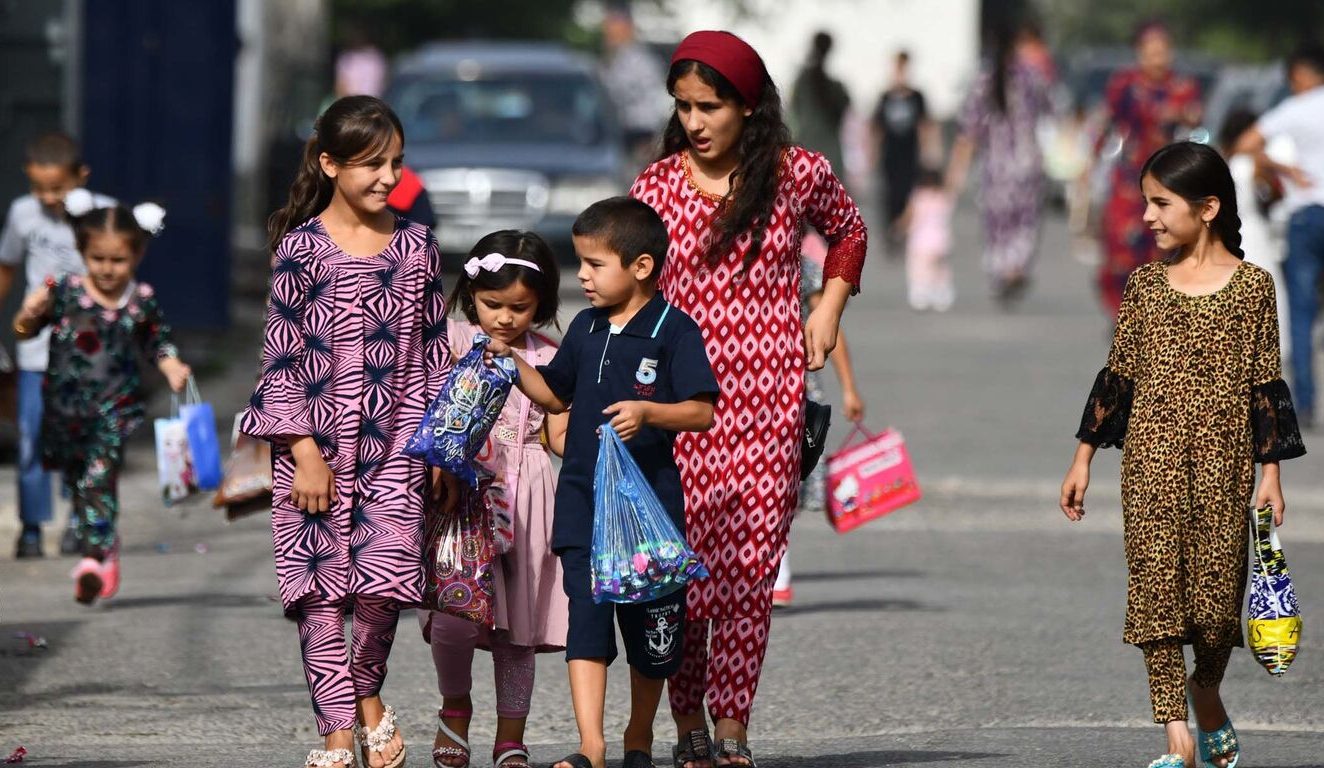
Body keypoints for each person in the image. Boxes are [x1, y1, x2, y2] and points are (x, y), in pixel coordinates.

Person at [630, 30, 868, 768]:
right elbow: (627, 295)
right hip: (680, 407)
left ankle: (731, 723)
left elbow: (849, 232)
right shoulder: (656, 186)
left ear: (748, 106)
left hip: (769, 401)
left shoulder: (797, 174)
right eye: (685, 107)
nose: (696, 122)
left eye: (711, 106)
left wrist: (826, 308)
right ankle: (686, 719)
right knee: (686, 571)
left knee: (750, 572)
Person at [1061, 142, 1305, 768]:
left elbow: (1266, 388)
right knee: (1155, 596)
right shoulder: (1143, 287)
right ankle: (1176, 736)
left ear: (1208, 208)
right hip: (1149, 465)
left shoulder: (1254, 289)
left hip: (1226, 471)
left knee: (1217, 609)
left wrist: (1270, 474)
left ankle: (1205, 690)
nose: (1147, 216)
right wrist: (1084, 457)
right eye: (1146, 203)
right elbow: (1117, 378)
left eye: (1161, 203)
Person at [239, 95, 457, 768]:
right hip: (311, 451)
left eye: (396, 163)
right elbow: (279, 356)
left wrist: (442, 445)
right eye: (370, 164)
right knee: (321, 595)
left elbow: (437, 350)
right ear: (329, 164)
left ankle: (365, 700)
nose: (387, 177)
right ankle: (339, 734)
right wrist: (301, 450)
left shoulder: (417, 246)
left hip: (399, 446)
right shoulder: (300, 251)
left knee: (384, 590)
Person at [484, 196, 719, 768]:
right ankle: (592, 745)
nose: (582, 276)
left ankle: (639, 734)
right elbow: (554, 393)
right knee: (586, 621)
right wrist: (514, 364)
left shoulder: (674, 330)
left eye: (594, 264)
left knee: (648, 630)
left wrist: (651, 413)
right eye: (581, 263)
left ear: (641, 267)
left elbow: (702, 411)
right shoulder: (586, 328)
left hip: (646, 510)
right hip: (583, 500)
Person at [423, 230, 569, 768]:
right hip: (462, 495)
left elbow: (558, 436)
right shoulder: (451, 341)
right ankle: (455, 707)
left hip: (529, 494)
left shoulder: (551, 355)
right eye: (492, 304)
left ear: (542, 304)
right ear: (470, 297)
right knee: (454, 614)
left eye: (520, 307)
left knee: (517, 629)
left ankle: (512, 735)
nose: (505, 318)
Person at [12, 193, 189, 603]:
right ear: (83, 253)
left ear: (137, 255)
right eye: (98, 260)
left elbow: (158, 343)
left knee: (97, 479)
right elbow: (24, 331)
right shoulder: (66, 293)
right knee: (79, 484)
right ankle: (102, 546)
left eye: (118, 261)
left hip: (114, 410)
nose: (107, 270)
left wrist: (172, 366)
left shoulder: (141, 299)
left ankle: (96, 558)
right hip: (64, 410)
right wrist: (28, 312)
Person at [0, 132, 113, 559]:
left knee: (80, 438)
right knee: (31, 438)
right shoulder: (22, 214)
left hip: (88, 352)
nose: (48, 198)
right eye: (38, 188)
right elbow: (7, 266)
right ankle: (31, 528)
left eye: (58, 188)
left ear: (80, 177)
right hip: (36, 351)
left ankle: (76, 520)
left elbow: (120, 273)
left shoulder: (101, 213)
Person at [772, 232, 867, 608]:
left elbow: (829, 323)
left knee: (782, 482)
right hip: (731, 387)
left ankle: (778, 569)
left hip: (795, 386)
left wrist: (849, 388)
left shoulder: (799, 265)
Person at [1234, 44, 1324, 429]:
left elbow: (1245, 144)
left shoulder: (1294, 109)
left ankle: (1305, 403)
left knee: (1301, 313)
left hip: (1308, 215)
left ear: (1300, 75)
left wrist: (1286, 168)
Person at [1089, 21, 1202, 318]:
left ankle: (1156, 313)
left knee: (1164, 246)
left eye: (1162, 51)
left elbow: (1196, 125)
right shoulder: (1123, 85)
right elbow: (1106, 124)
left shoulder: (1182, 87)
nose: (1157, 57)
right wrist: (1090, 162)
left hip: (1169, 178)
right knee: (1121, 247)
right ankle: (1123, 312)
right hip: (1129, 177)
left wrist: (1187, 117)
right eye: (1150, 51)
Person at [946, 22, 1052, 306]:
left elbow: (968, 132)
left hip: (996, 168)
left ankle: (1003, 270)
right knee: (1025, 221)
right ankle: (1017, 266)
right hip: (1028, 163)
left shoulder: (983, 81)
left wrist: (955, 174)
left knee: (998, 224)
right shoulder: (1032, 78)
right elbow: (1053, 113)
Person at [1219, 109, 1289, 356]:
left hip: (1234, 234)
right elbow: (1271, 198)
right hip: (1254, 235)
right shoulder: (1248, 165)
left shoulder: (1225, 165)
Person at [871, 51, 934, 245]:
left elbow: (924, 126)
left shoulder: (917, 97)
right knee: (890, 194)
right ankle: (891, 231)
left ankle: (906, 229)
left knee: (910, 193)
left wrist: (927, 151)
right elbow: (877, 127)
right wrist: (873, 152)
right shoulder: (885, 97)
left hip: (910, 154)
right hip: (890, 154)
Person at [599, 4, 669, 164]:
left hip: (640, 135)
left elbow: (620, 94)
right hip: (620, 135)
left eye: (613, 26)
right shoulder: (613, 59)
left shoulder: (640, 62)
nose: (608, 32)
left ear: (627, 28)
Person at [790, 32, 851, 181]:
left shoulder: (802, 82)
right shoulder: (837, 89)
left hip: (805, 154)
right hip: (831, 157)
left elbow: (794, 113)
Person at [901, 166, 955, 312]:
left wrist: (900, 228)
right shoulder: (944, 197)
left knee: (918, 268)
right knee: (941, 269)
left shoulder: (918, 197)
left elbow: (909, 216)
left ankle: (920, 292)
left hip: (920, 241)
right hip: (941, 240)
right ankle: (942, 293)